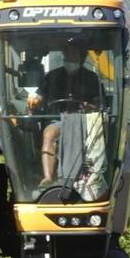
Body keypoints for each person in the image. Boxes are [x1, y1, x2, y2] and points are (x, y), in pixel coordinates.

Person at [26, 41, 104, 186]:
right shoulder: (52, 76)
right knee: (49, 134)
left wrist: (90, 106)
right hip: (58, 120)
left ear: (81, 56)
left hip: (84, 122)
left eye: (74, 54)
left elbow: (98, 103)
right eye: (67, 53)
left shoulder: (91, 78)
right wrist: (36, 99)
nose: (70, 57)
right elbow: (41, 96)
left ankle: (89, 178)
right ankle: (48, 178)